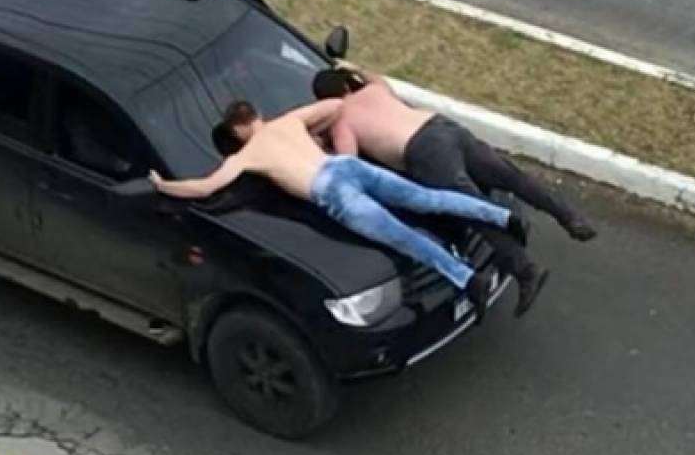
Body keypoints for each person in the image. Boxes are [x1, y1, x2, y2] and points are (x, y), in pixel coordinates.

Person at [151, 100, 541, 318]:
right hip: (344, 165)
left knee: (404, 238)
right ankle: (502, 216)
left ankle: (468, 280)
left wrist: (163, 184)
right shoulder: (289, 122)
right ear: (257, 115)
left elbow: (205, 187)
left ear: (237, 131)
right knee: (428, 198)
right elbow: (336, 106)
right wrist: (317, 134)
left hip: (330, 193)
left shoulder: (247, 155)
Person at [312, 66, 596, 272]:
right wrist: (352, 68)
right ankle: (569, 217)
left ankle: (524, 269)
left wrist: (323, 145)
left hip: (424, 151)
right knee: (510, 177)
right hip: (443, 127)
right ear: (348, 85)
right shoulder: (375, 90)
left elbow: (349, 161)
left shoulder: (341, 118)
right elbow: (375, 76)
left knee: (472, 208)